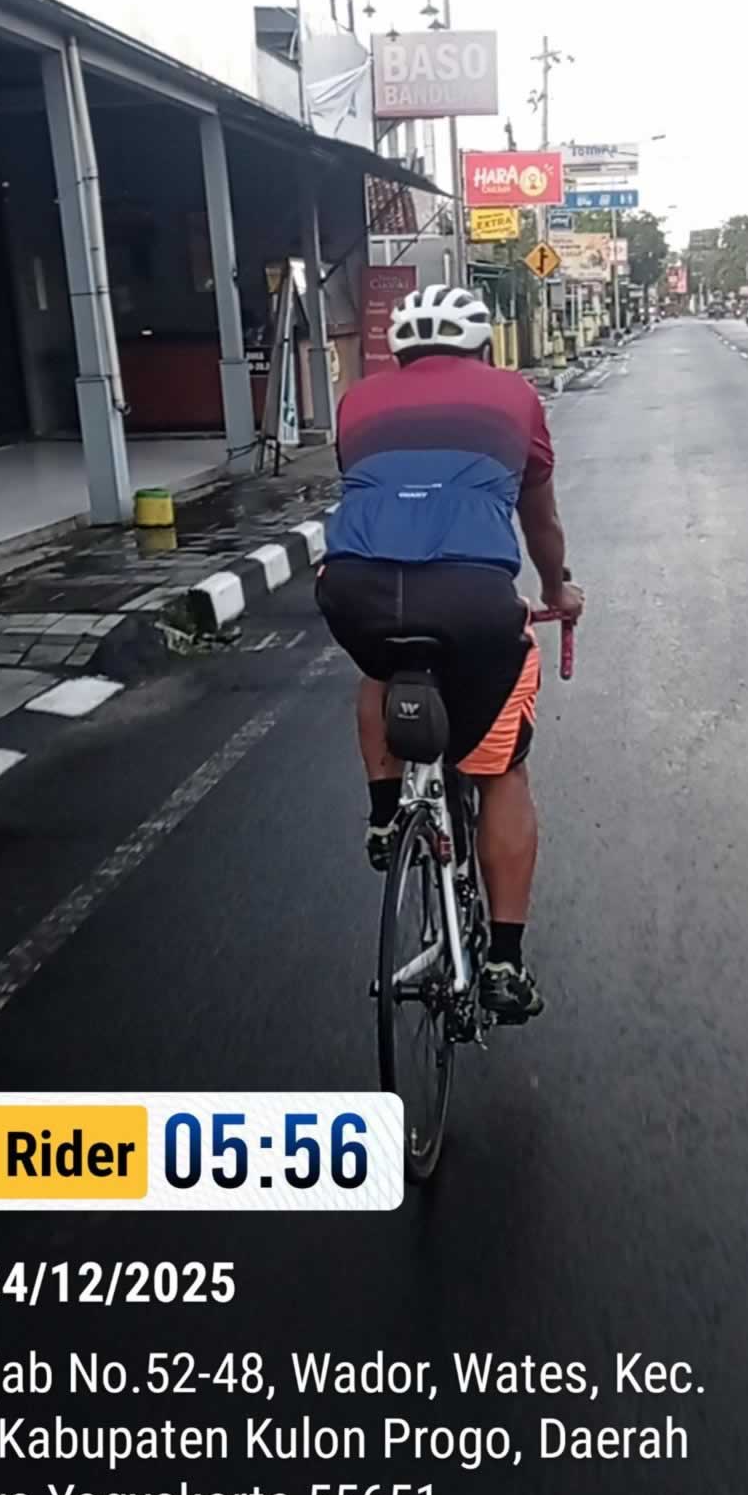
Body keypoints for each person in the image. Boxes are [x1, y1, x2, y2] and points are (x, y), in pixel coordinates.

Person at [316, 284, 584, 1026]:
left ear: (397, 351)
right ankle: (503, 963)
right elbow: (540, 520)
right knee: (501, 770)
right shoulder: (514, 395)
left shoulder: (357, 401)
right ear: (483, 347)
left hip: (355, 590)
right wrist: (556, 590)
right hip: (472, 598)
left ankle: (384, 815)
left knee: (378, 669)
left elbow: (370, 490)